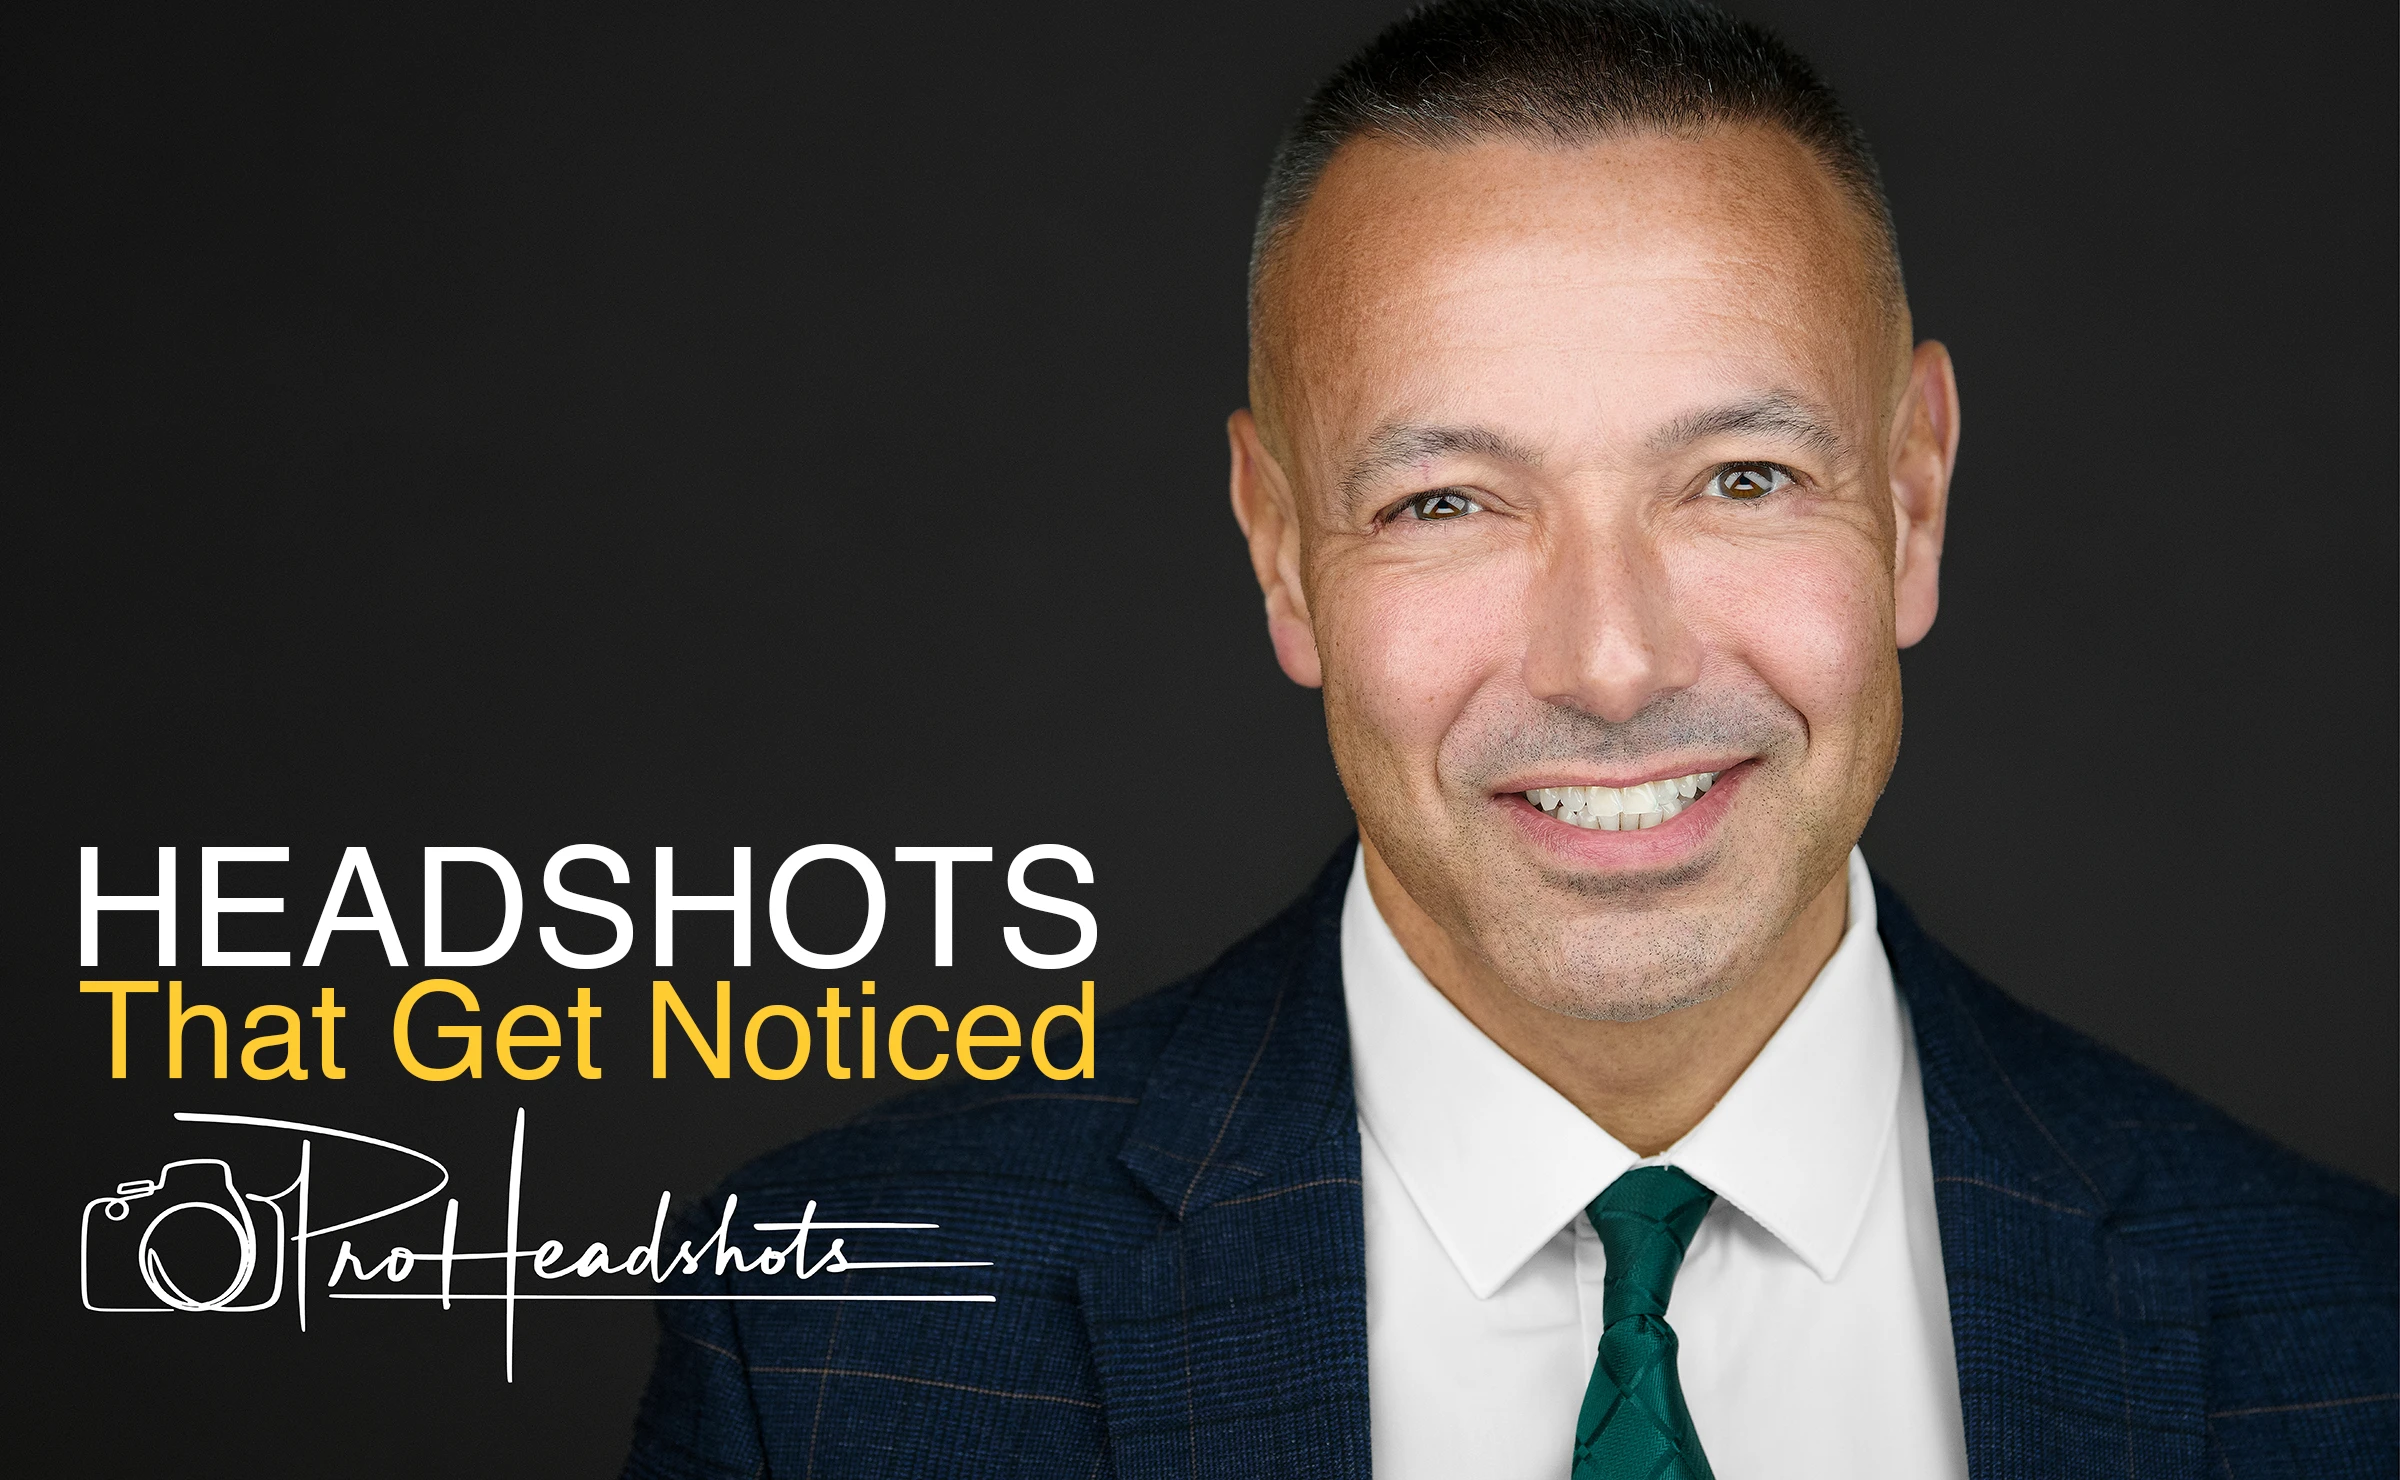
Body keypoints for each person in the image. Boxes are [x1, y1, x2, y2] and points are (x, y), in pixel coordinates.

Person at [623, 2, 2397, 1475]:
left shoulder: (2351, 1348)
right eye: (1449, 500)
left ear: (1916, 498)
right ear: (1278, 548)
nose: (1612, 664)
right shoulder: (830, 1344)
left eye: (1741, 478)